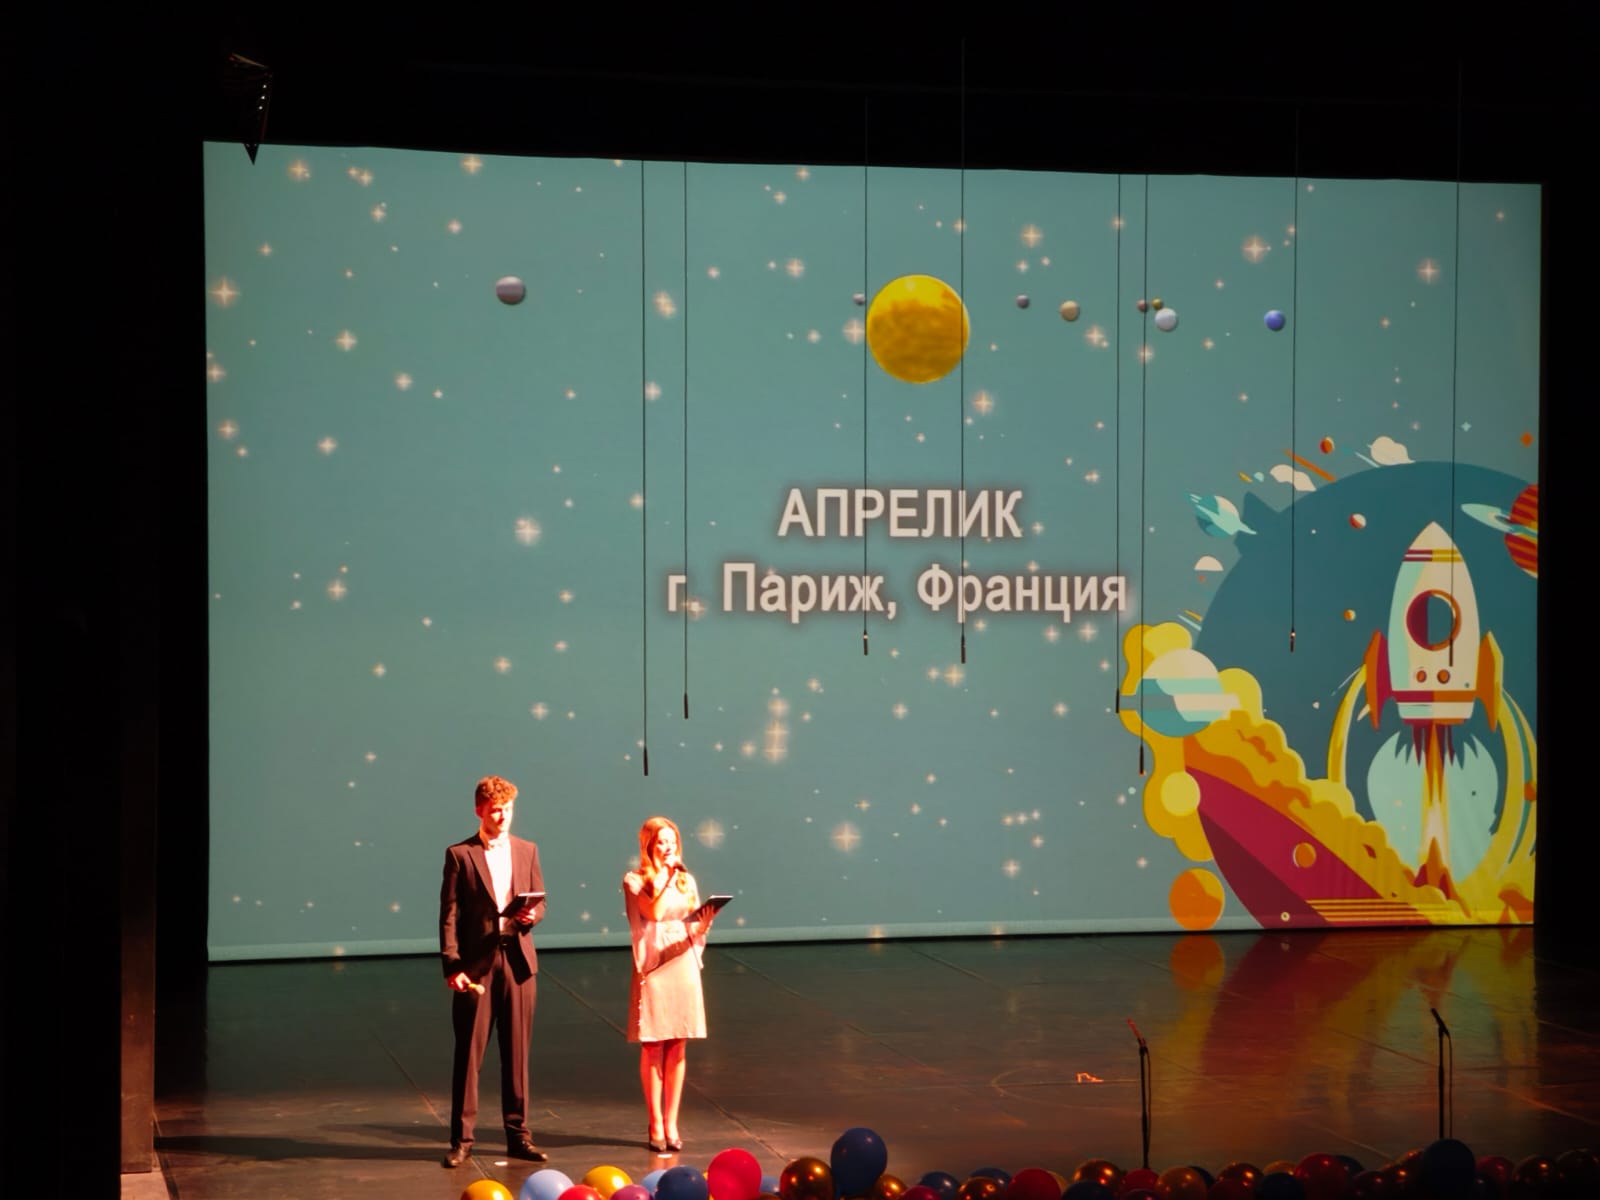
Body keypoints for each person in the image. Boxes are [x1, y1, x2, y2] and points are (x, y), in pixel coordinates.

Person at [438, 775, 549, 1168]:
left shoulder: (527, 850)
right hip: (476, 967)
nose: (503, 817)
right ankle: (462, 1140)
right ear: (480, 811)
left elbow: (540, 901)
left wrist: (532, 914)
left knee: (517, 1055)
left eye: (508, 809)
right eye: (496, 810)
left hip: (518, 963)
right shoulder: (460, 854)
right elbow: (449, 914)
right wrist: (453, 964)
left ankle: (518, 1136)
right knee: (469, 1056)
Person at [622, 816, 720, 1155]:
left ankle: (672, 1121)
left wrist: (704, 923)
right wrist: (665, 878)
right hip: (655, 963)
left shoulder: (686, 880)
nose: (668, 847)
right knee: (653, 1044)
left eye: (672, 841)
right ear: (649, 845)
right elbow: (655, 912)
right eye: (661, 842)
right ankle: (655, 1123)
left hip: (683, 961)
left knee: (678, 1044)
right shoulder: (636, 880)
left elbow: (691, 923)